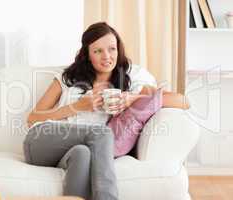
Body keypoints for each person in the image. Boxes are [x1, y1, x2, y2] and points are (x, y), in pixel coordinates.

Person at [24, 22, 189, 200]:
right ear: (86, 54)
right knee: (102, 134)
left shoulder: (133, 77)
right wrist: (77, 107)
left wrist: (131, 99)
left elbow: (182, 101)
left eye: (112, 49)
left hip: (75, 151)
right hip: (43, 141)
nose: (107, 56)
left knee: (83, 153)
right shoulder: (67, 78)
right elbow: (33, 118)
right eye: (97, 51)